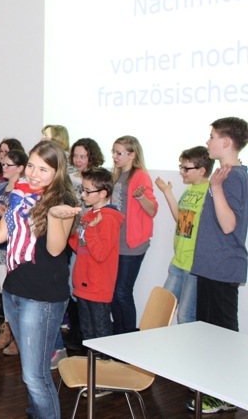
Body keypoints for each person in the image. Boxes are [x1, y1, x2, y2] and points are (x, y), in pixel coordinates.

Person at [0, 141, 80, 419]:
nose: (34, 174)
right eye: (32, 166)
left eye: (43, 169)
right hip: (14, 290)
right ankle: (38, 413)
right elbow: (0, 235)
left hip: (43, 297)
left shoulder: (63, 201)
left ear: (58, 171)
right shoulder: (20, 192)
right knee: (30, 370)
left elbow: (55, 250)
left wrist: (52, 215)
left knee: (35, 376)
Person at [186, 117, 248, 415]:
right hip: (211, 266)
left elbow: (228, 225)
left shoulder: (232, 177)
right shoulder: (224, 175)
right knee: (209, 334)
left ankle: (225, 394)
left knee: (223, 335)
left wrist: (217, 188)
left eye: (212, 136)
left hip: (223, 267)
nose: (208, 141)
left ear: (226, 142)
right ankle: (211, 388)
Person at [155, 146, 213, 324]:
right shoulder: (190, 190)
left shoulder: (210, 192)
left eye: (186, 168)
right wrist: (167, 192)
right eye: (181, 167)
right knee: (161, 310)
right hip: (178, 261)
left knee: (186, 315)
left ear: (202, 170)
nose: (182, 172)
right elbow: (180, 218)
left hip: (193, 265)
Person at [69, 168, 123, 347]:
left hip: (98, 287)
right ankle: (92, 364)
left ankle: (103, 363)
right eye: (82, 190)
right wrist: (68, 228)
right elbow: (80, 247)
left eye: (87, 191)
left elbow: (100, 254)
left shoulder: (108, 219)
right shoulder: (88, 215)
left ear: (103, 193)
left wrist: (90, 230)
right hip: (83, 285)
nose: (82, 195)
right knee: (87, 334)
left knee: (101, 336)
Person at [110, 136, 158, 334]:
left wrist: (141, 197)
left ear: (132, 155)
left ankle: (128, 334)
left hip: (132, 243)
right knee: (114, 293)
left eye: (119, 153)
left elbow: (152, 209)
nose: (114, 156)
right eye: (113, 152)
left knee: (122, 292)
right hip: (115, 242)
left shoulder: (140, 176)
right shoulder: (116, 175)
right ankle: (117, 334)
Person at [0, 149, 28, 355]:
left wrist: (6, 214)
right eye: (2, 164)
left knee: (17, 293)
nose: (3, 167)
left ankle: (18, 336)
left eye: (8, 165)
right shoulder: (2, 187)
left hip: (15, 246)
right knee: (4, 290)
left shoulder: (24, 190)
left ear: (20, 168)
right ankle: (7, 329)